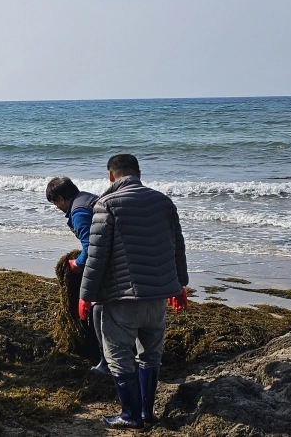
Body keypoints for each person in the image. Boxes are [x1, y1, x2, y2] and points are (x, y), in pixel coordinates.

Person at [79, 154, 189, 430]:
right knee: (150, 355)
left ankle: (130, 415)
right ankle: (147, 413)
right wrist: (180, 286)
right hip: (157, 296)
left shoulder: (107, 204)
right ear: (139, 173)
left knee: (118, 357)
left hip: (121, 298)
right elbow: (177, 246)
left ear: (111, 175)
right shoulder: (164, 202)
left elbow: (96, 256)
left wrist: (85, 294)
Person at [45, 177, 106, 373]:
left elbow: (91, 247)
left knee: (99, 311)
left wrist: (77, 264)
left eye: (55, 202)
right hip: (121, 258)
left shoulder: (78, 211)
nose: (56, 207)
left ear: (61, 198)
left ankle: (105, 361)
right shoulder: (90, 199)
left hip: (107, 264)